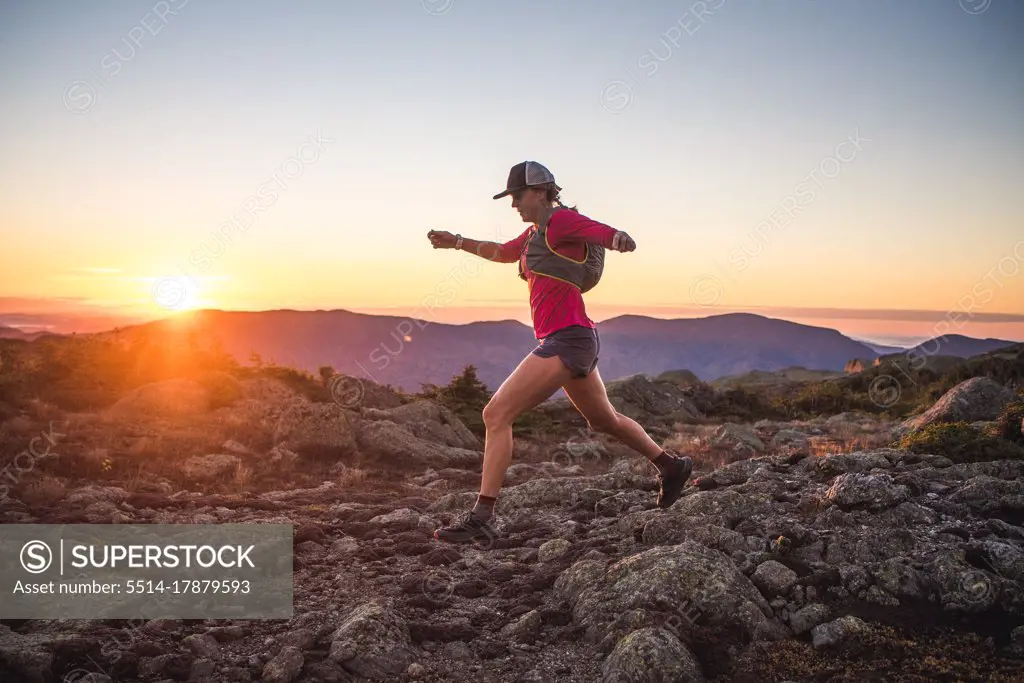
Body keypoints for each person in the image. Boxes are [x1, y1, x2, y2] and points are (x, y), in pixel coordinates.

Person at [426, 161, 693, 543]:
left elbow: (594, 230)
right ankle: (670, 466)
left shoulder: (560, 221)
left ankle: (482, 518)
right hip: (575, 338)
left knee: (495, 414)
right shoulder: (535, 233)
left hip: (567, 340)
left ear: (540, 191)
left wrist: (617, 237)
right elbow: (501, 252)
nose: (513, 204)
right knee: (605, 421)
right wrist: (457, 242)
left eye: (517, 196)